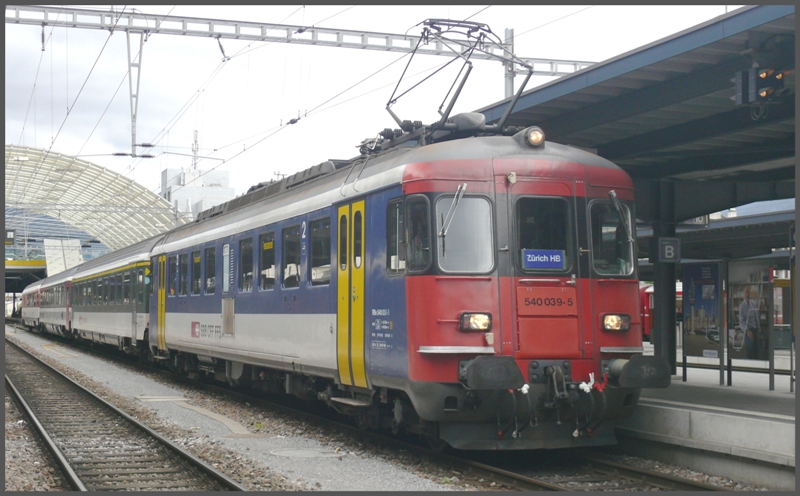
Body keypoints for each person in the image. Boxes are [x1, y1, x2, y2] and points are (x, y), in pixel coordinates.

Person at [738, 285, 759, 359]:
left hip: (755, 328)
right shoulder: (742, 306)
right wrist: (747, 330)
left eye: (748, 292)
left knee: (756, 350)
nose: (747, 294)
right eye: (746, 292)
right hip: (748, 330)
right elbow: (741, 322)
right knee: (750, 350)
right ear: (744, 293)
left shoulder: (753, 303)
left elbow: (756, 316)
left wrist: (758, 327)